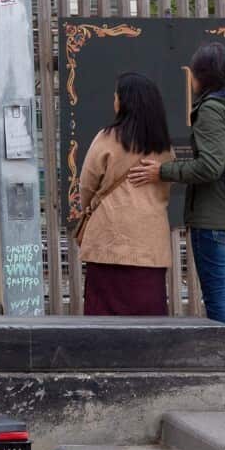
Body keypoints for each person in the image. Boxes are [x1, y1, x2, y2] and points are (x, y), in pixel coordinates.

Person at [130, 42, 225, 399]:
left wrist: (162, 171)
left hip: (213, 216)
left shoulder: (213, 109)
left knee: (218, 298)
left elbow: (211, 166)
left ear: (204, 76)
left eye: (194, 72)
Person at [78, 72, 175, 316]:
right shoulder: (164, 146)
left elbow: (87, 185)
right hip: (149, 244)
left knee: (105, 316)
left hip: (108, 239)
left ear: (125, 101)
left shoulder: (108, 138)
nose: (114, 100)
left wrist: (90, 205)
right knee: (147, 315)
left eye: (116, 96)